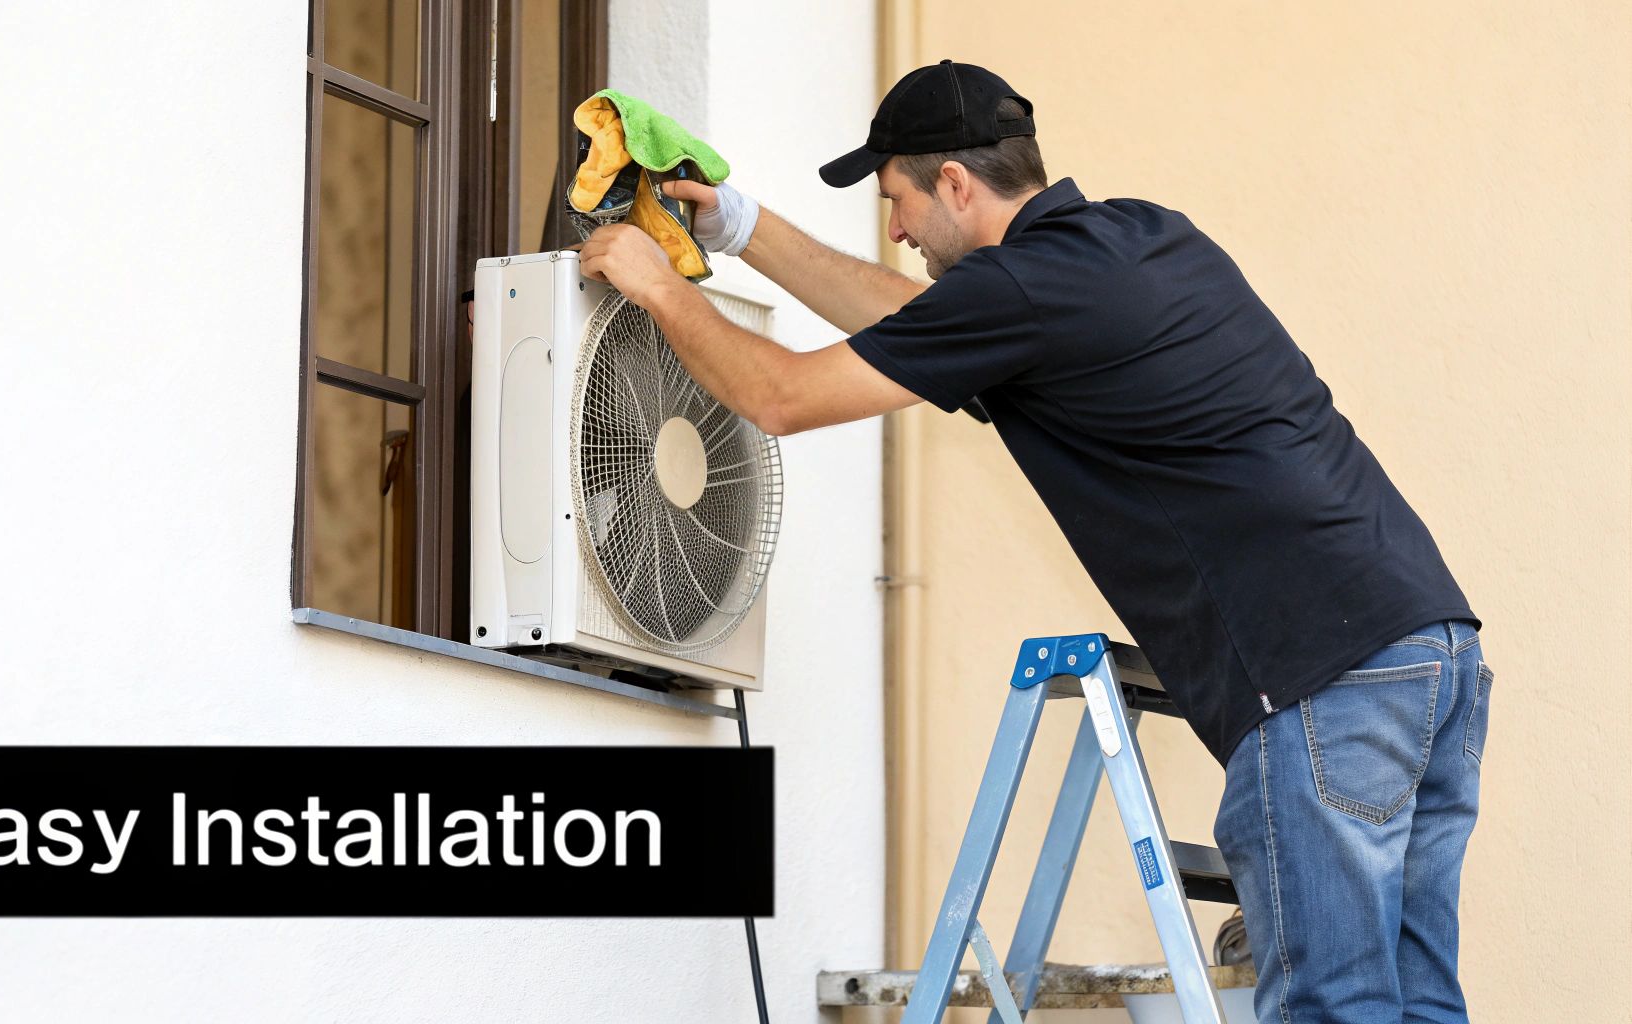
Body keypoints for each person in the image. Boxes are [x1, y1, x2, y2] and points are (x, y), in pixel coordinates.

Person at [577, 59, 1490, 1024]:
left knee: (1332, 1008)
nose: (895, 228)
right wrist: (740, 229)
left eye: (897, 201)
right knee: (1420, 1006)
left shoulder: (1024, 292)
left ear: (957, 185)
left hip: (1318, 675)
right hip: (1431, 651)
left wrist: (658, 289)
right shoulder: (1139, 238)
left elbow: (781, 396)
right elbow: (916, 324)